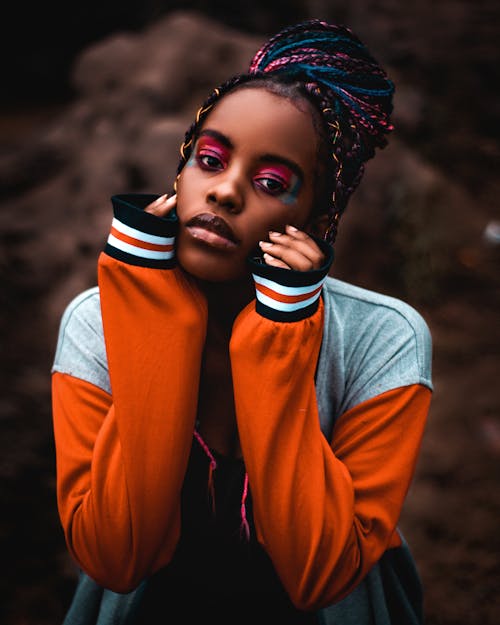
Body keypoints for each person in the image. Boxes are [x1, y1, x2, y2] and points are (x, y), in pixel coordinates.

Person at [51, 18, 433, 625]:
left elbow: (323, 574)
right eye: (209, 159)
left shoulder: (386, 339)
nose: (225, 192)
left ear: (315, 216)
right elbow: (114, 556)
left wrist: (281, 331)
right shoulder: (95, 323)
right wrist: (151, 318)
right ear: (181, 170)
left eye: (271, 182)